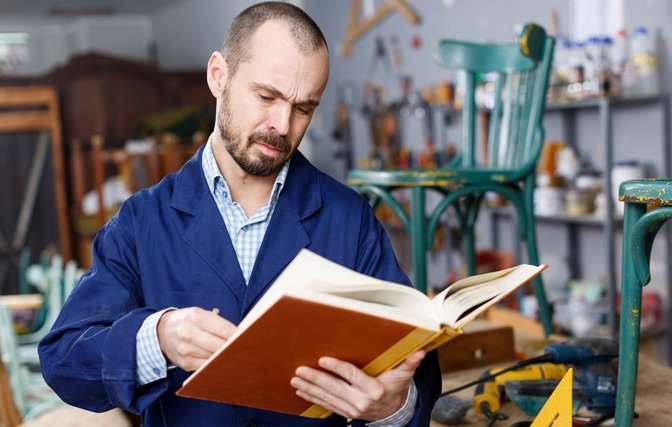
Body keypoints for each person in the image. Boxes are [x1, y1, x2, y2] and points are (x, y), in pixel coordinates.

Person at [39, 2, 440, 426]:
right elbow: (64, 363)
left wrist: (392, 408)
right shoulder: (141, 222)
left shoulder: (350, 219)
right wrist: (156, 340)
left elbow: (415, 372)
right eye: (267, 96)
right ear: (219, 76)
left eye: (303, 108)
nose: (283, 125)